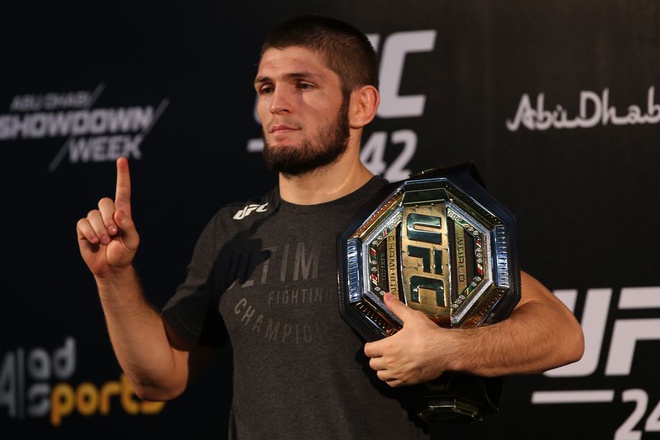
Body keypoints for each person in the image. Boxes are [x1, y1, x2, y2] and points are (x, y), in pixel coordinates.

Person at [76, 14, 584, 439]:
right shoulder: (232, 230)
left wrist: (446, 350)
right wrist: (113, 277)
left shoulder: (416, 218)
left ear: (361, 105)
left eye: (303, 85)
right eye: (266, 88)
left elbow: (562, 334)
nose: (277, 104)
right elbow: (159, 378)